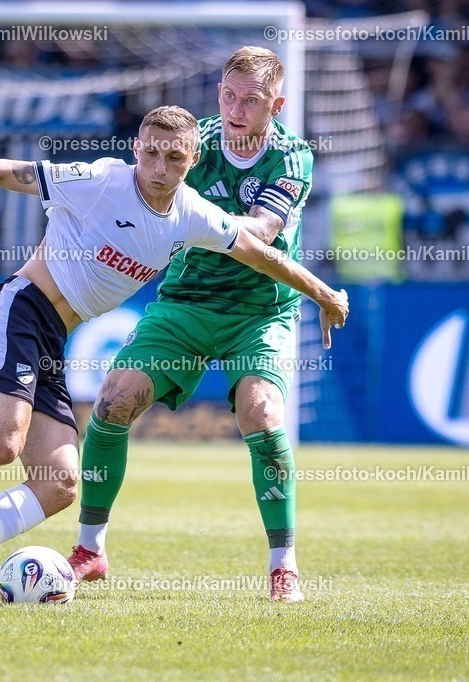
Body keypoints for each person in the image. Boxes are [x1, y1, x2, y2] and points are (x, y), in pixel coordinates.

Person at [0, 105, 349, 600]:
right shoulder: (101, 181)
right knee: (0, 444)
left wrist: (325, 295)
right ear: (136, 147)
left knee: (60, 484)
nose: (158, 167)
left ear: (192, 160)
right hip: (19, 310)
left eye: (173, 157)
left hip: (53, 341)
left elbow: (262, 255)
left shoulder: (193, 214)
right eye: (150, 152)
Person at [67, 47, 323, 602]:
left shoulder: (290, 158)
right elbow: (139, 184)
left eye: (251, 101)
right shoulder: (193, 143)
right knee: (113, 400)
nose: (236, 110)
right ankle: (90, 550)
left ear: (275, 104)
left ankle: (284, 565)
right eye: (228, 96)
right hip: (183, 302)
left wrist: (197, 219)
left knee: (262, 413)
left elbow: (259, 237)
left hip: (259, 310)